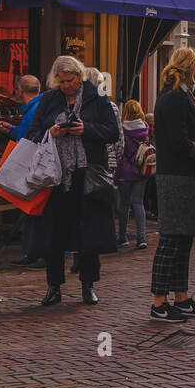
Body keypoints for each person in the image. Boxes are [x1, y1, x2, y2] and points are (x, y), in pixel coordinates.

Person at [23, 55, 119, 307]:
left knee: (88, 230)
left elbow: (112, 132)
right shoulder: (49, 99)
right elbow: (32, 133)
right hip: (54, 176)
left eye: (71, 80)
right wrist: (51, 132)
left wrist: (86, 129)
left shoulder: (97, 97)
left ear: (80, 76)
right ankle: (54, 286)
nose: (66, 85)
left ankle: (88, 285)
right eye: (62, 81)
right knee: (54, 232)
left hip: (86, 173)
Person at [150, 47, 195, 322]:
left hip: (183, 177)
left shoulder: (175, 96)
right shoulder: (175, 99)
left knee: (182, 240)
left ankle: (180, 298)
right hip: (178, 179)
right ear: (189, 68)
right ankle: (159, 302)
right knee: (170, 241)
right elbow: (179, 142)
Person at [0, 75, 44, 268]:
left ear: (20, 89)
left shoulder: (33, 110)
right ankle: (32, 251)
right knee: (33, 210)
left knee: (32, 209)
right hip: (38, 165)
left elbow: (26, 139)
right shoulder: (38, 106)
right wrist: (12, 129)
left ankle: (33, 252)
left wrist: (12, 132)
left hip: (32, 165)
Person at [85, 67, 122, 261]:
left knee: (98, 205)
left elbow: (117, 136)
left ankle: (96, 245)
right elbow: (120, 141)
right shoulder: (109, 105)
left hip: (102, 163)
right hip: (106, 163)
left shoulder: (107, 106)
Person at [115, 99, 150, 250]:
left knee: (124, 204)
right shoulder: (145, 129)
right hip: (140, 169)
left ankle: (122, 237)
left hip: (124, 170)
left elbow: (119, 150)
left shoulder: (121, 129)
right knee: (138, 203)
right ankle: (141, 238)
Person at [143, 113, 158, 221]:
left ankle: (153, 209)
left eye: (153, 126)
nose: (151, 128)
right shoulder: (143, 135)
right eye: (149, 125)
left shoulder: (156, 136)